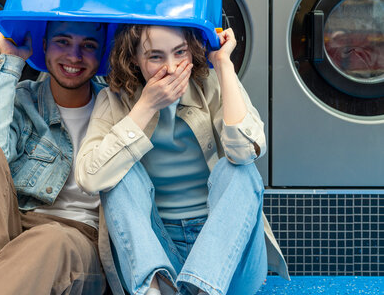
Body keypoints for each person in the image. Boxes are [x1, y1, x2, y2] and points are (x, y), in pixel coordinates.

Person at [75, 25, 289, 295]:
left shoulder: (213, 83)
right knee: (118, 175)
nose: (172, 67)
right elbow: (90, 178)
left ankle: (205, 287)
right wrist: (147, 106)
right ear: (133, 59)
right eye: (155, 57)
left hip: (227, 252)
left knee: (240, 171)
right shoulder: (115, 99)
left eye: (180, 53)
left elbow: (246, 151)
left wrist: (223, 65)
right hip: (158, 255)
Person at [0, 21, 114, 295]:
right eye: (63, 42)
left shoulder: (121, 108)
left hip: (79, 240)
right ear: (44, 45)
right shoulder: (23, 101)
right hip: (14, 229)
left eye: (88, 46)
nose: (74, 56)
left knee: (50, 239)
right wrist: (10, 62)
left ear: (103, 51)